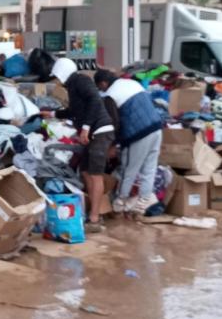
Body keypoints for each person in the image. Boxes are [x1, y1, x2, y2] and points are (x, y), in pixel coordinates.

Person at [44, 58, 114, 233]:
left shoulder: (81, 81)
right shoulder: (74, 86)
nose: (58, 80)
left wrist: (85, 128)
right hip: (92, 132)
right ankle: (91, 212)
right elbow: (74, 111)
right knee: (85, 171)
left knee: (95, 174)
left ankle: (95, 218)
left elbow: (95, 101)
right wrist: (52, 113)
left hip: (100, 131)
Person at [93, 68, 164, 216]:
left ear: (104, 83)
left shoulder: (110, 96)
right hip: (157, 128)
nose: (100, 90)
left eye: (99, 87)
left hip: (139, 134)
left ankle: (120, 202)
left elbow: (115, 123)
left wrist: (113, 145)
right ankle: (143, 203)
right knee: (149, 169)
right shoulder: (132, 83)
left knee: (128, 170)